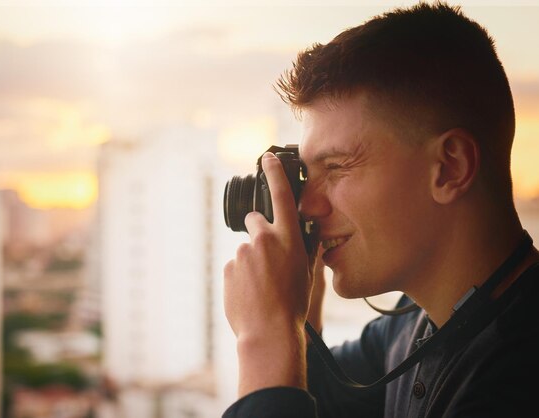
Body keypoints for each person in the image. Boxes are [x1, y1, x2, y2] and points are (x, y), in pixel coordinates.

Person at [222, 2, 539, 418]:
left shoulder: (516, 378)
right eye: (307, 177)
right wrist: (295, 309)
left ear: (449, 168)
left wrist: (262, 342)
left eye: (335, 168)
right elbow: (319, 401)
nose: (309, 207)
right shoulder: (417, 326)